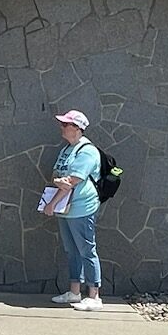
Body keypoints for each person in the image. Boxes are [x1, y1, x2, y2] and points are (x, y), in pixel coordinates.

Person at [44, 109, 102, 311]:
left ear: (77, 128)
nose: (62, 127)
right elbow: (60, 177)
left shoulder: (87, 151)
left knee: (87, 250)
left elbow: (73, 181)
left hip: (81, 208)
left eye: (66, 124)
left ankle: (94, 295)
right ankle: (75, 291)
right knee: (72, 251)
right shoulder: (67, 149)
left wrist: (51, 204)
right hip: (66, 208)